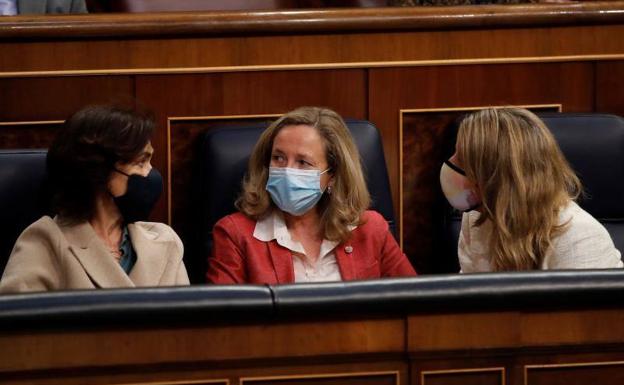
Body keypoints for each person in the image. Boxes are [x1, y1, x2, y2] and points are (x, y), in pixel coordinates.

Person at [207, 106, 417, 284]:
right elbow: (222, 324)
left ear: (333, 176)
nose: (287, 170)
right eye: (278, 158)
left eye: (303, 162)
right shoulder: (235, 234)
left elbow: (415, 303)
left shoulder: (370, 230)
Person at [0, 105, 189, 293]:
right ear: (100, 171)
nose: (150, 173)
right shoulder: (46, 240)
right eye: (140, 162)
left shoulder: (165, 240)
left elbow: (188, 320)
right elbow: (14, 319)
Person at [440, 107, 622, 272]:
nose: (451, 163)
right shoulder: (475, 216)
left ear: (497, 176)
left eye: (463, 160)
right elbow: (471, 298)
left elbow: (583, 309)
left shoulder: (580, 239)